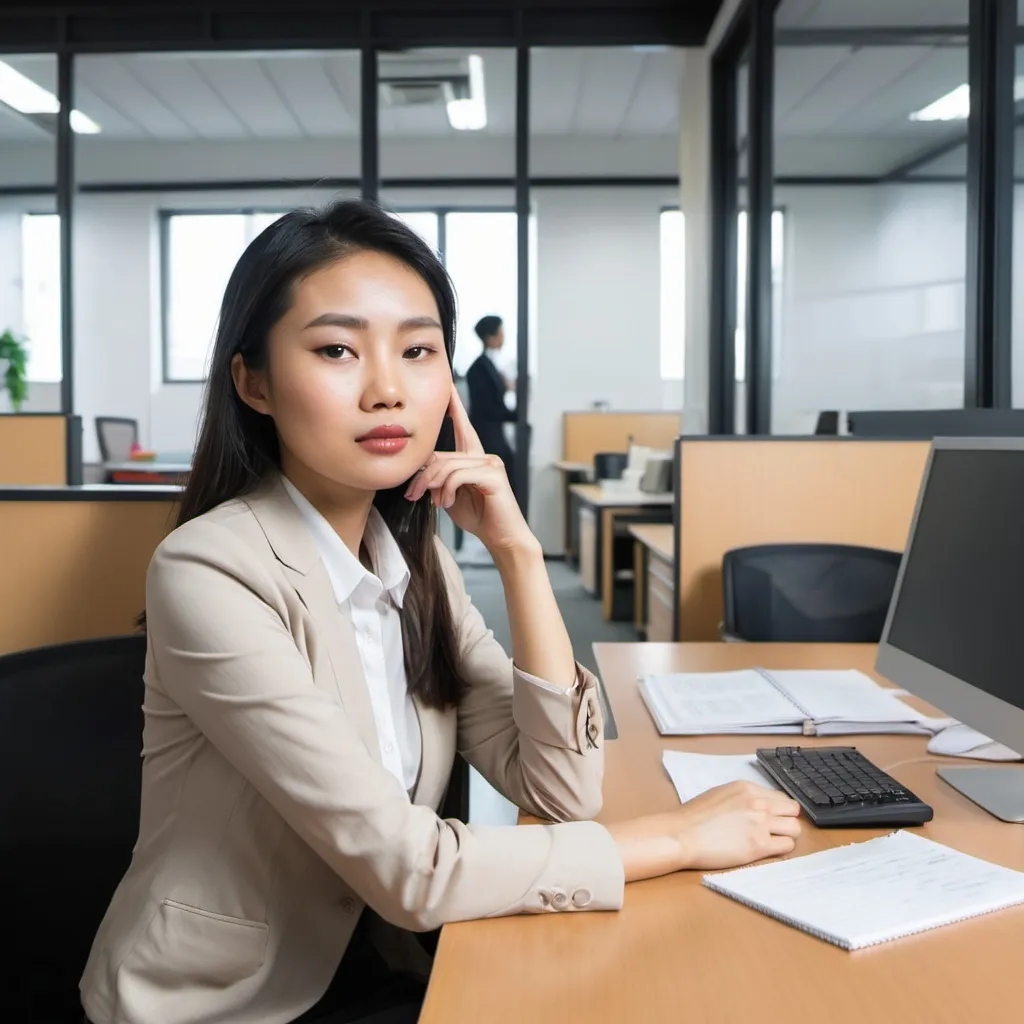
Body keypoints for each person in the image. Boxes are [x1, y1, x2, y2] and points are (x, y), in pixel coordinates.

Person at [80, 200, 801, 1024]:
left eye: (419, 351)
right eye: (337, 350)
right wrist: (679, 838)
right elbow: (410, 869)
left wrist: (520, 555)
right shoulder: (210, 570)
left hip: (383, 964)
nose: (388, 389)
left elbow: (562, 787)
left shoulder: (413, 565)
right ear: (254, 382)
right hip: (232, 1003)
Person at [465, 314, 516, 481]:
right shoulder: (479, 368)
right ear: (490, 337)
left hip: (494, 434)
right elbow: (488, 408)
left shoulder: (488, 365)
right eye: (501, 333)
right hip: (487, 437)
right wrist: (516, 415)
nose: (503, 338)